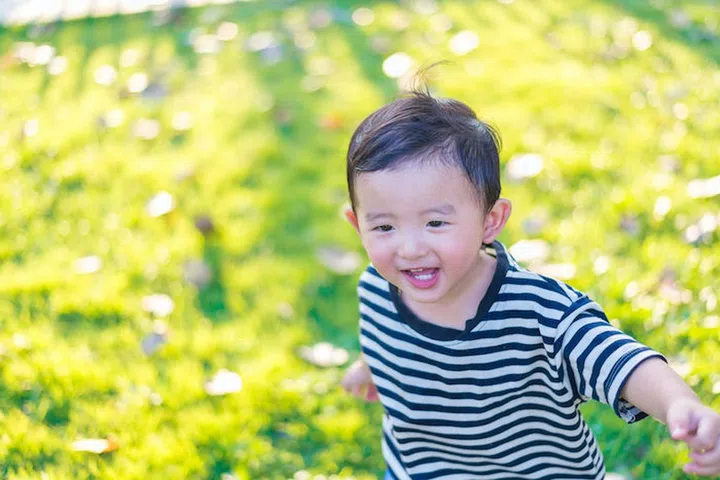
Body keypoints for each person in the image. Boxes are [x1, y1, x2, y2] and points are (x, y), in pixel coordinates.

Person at [340, 86, 720, 479]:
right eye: (384, 226)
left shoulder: (540, 312)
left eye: (435, 222)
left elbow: (617, 360)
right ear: (357, 225)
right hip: (418, 470)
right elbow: (402, 342)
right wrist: (373, 364)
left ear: (491, 221)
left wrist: (678, 403)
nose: (410, 248)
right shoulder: (376, 289)